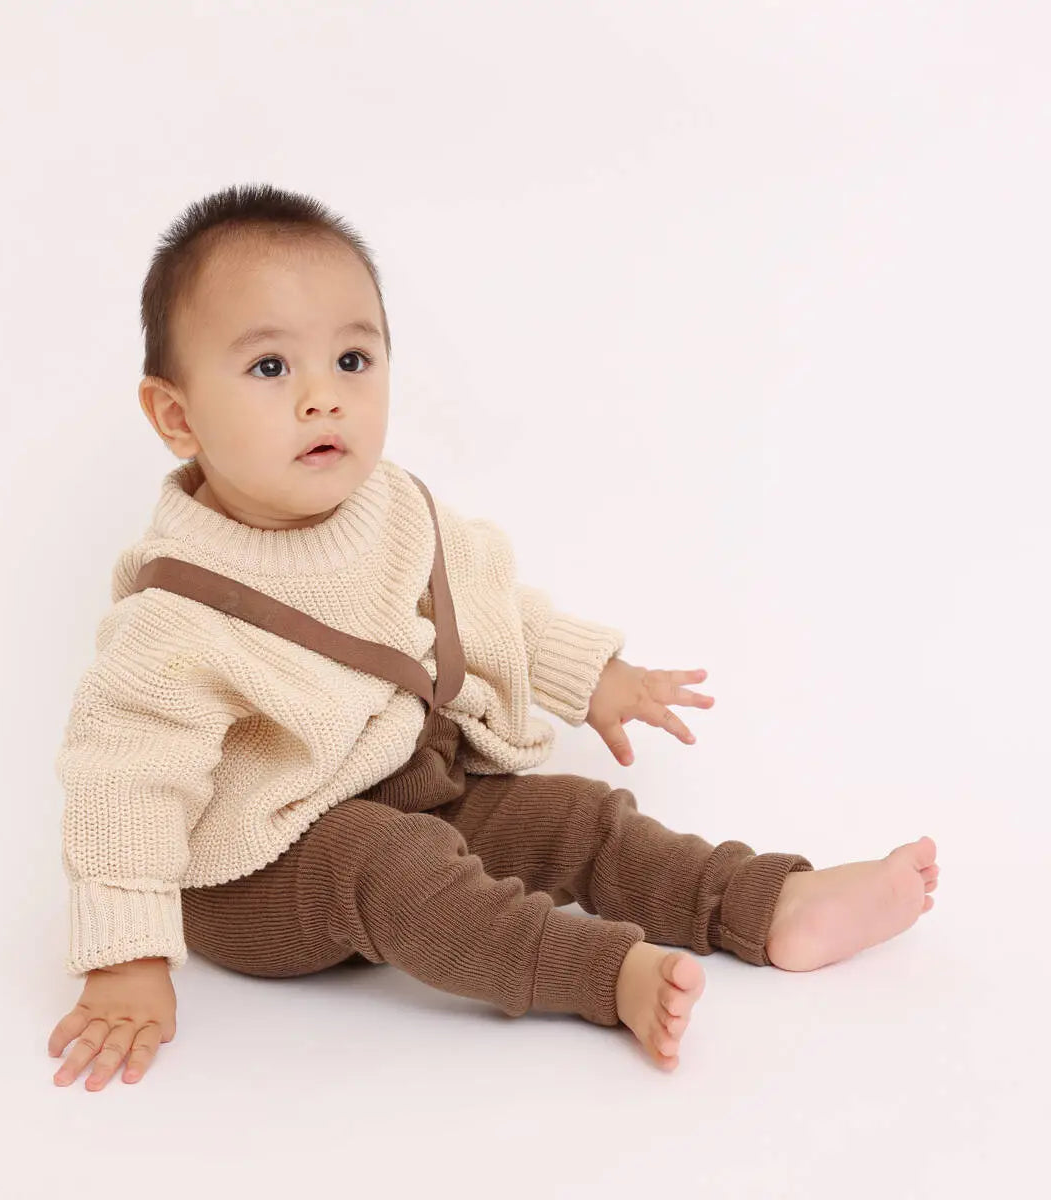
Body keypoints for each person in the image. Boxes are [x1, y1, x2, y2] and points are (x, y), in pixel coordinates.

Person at [47, 183, 939, 1091]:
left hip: (413, 790)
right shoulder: (176, 613)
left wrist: (595, 676)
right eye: (271, 367)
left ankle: (769, 903)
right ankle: (605, 975)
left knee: (575, 817)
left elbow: (487, 604)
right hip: (264, 871)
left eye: (353, 360)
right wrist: (127, 959)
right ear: (177, 417)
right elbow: (124, 784)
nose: (323, 399)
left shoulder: (396, 509)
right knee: (395, 865)